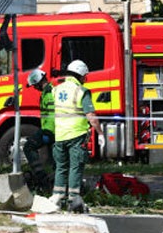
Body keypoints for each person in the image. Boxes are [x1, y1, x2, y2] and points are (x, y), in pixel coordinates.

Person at [50, 60, 103, 213]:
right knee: (75, 166)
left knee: (61, 167)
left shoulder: (56, 89)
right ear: (80, 75)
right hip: (76, 134)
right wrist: (100, 133)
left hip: (60, 134)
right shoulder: (81, 91)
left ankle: (57, 197)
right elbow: (91, 115)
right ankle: (74, 198)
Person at [23, 69, 55, 194]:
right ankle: (50, 184)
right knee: (54, 160)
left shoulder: (50, 93)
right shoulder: (47, 92)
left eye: (34, 86)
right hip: (49, 130)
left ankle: (42, 178)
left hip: (51, 131)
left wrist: (48, 133)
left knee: (28, 147)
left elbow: (52, 115)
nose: (35, 89)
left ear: (38, 82)